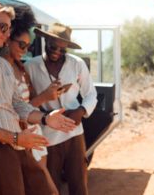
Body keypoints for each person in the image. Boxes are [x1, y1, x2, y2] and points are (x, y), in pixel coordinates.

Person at [0, 0, 76, 195]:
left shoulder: (2, 65)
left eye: (9, 29)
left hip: (18, 142)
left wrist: (45, 118)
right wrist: (15, 137)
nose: (7, 33)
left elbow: (18, 104)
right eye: (2, 27)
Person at [25, 22, 97, 195]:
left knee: (79, 185)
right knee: (51, 187)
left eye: (62, 50)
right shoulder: (30, 67)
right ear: (45, 41)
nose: (57, 52)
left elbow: (91, 94)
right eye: (53, 47)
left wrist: (81, 111)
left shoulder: (77, 64)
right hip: (48, 136)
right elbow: (25, 103)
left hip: (74, 134)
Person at [0, 5, 59, 195]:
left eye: (29, 46)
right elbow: (9, 110)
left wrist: (45, 104)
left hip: (33, 133)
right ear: (8, 40)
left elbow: (24, 103)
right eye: (21, 45)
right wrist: (44, 98)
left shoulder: (19, 67)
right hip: (16, 138)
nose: (25, 50)